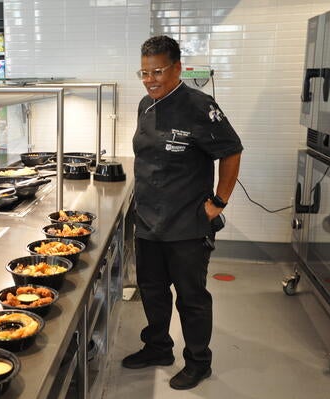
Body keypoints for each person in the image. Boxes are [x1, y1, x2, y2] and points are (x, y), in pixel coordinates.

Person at [123, 35, 243, 390]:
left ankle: (198, 361)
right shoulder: (146, 104)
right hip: (148, 221)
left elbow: (232, 151)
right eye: (144, 73)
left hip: (188, 224)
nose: (150, 80)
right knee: (153, 290)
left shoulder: (200, 106)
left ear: (177, 68)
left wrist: (218, 202)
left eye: (157, 71)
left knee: (191, 298)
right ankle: (157, 347)